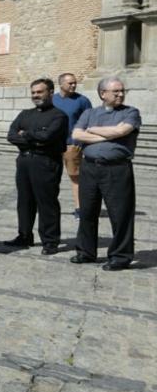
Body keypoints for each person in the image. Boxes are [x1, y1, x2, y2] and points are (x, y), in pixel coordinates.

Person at [71, 77, 141, 271]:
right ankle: (86, 252)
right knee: (87, 212)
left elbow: (121, 131)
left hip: (117, 169)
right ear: (103, 94)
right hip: (90, 168)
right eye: (116, 91)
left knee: (120, 214)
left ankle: (120, 256)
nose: (121, 94)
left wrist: (92, 131)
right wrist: (107, 134)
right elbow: (76, 134)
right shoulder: (89, 112)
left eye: (122, 90)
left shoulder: (130, 112)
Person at [6, 78, 69, 255]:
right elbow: (11, 135)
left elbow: (48, 137)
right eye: (33, 92)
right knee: (24, 201)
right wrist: (34, 137)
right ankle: (24, 235)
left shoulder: (59, 116)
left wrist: (25, 134)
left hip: (46, 162)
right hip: (24, 161)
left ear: (50, 92)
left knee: (46, 202)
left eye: (39, 92)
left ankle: (50, 241)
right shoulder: (25, 114)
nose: (36, 96)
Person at [52, 72, 93, 220]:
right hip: (52, 146)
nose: (74, 85)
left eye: (75, 82)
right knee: (50, 177)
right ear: (61, 84)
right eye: (70, 83)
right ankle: (47, 206)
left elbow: (90, 122)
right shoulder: (52, 100)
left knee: (75, 177)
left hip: (72, 145)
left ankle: (80, 208)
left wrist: (81, 142)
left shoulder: (82, 101)